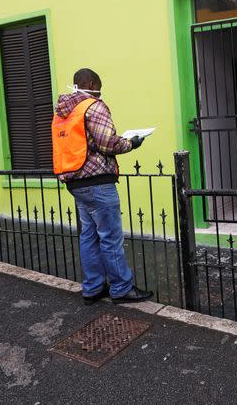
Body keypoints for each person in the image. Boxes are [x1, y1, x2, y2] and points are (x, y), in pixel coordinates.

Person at [52, 68, 153, 304]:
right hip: (98, 183)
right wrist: (131, 144)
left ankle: (93, 287)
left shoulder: (62, 112)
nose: (100, 90)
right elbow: (108, 144)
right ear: (89, 83)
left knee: (89, 236)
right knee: (110, 237)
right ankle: (121, 288)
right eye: (99, 85)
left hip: (75, 182)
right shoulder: (93, 106)